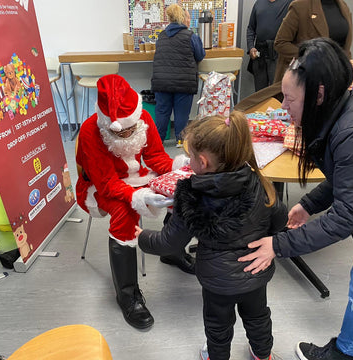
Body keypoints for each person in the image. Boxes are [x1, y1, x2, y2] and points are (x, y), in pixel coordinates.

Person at [239, 37, 353, 360]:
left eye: (291, 100)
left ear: (318, 95)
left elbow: (346, 216)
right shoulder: (343, 113)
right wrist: (308, 204)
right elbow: (350, 180)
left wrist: (277, 245)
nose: (284, 108)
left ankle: (344, 353)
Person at [135, 112, 288, 360]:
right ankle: (263, 355)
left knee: (218, 326)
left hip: (217, 282)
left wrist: (142, 236)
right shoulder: (259, 182)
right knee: (259, 317)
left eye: (191, 157)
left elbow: (169, 243)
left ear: (203, 162)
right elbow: (280, 220)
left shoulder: (191, 196)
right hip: (256, 273)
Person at [75, 74, 195, 330]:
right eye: (123, 131)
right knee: (124, 214)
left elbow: (155, 157)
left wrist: (180, 165)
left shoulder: (143, 119)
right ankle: (127, 295)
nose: (129, 134)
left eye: (132, 129)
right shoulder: (89, 131)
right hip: (101, 185)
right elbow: (106, 182)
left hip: (136, 177)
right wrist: (136, 197)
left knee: (181, 191)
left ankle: (172, 252)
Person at [151, 3, 205, 146]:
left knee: (162, 112)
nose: (189, 21)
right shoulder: (191, 36)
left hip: (161, 82)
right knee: (181, 113)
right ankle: (180, 140)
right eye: (188, 18)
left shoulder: (161, 36)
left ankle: (158, 142)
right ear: (183, 19)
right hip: (183, 82)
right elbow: (200, 55)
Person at [273, 0, 352, 83]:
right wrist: (312, 59)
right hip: (302, 79)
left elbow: (344, 46)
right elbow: (281, 43)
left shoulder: (344, 7)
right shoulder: (300, 6)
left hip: (334, 80)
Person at [246, 0, 292, 91]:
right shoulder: (258, 3)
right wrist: (251, 47)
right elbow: (251, 28)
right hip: (260, 52)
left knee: (276, 91)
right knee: (259, 92)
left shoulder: (289, 3)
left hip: (277, 53)